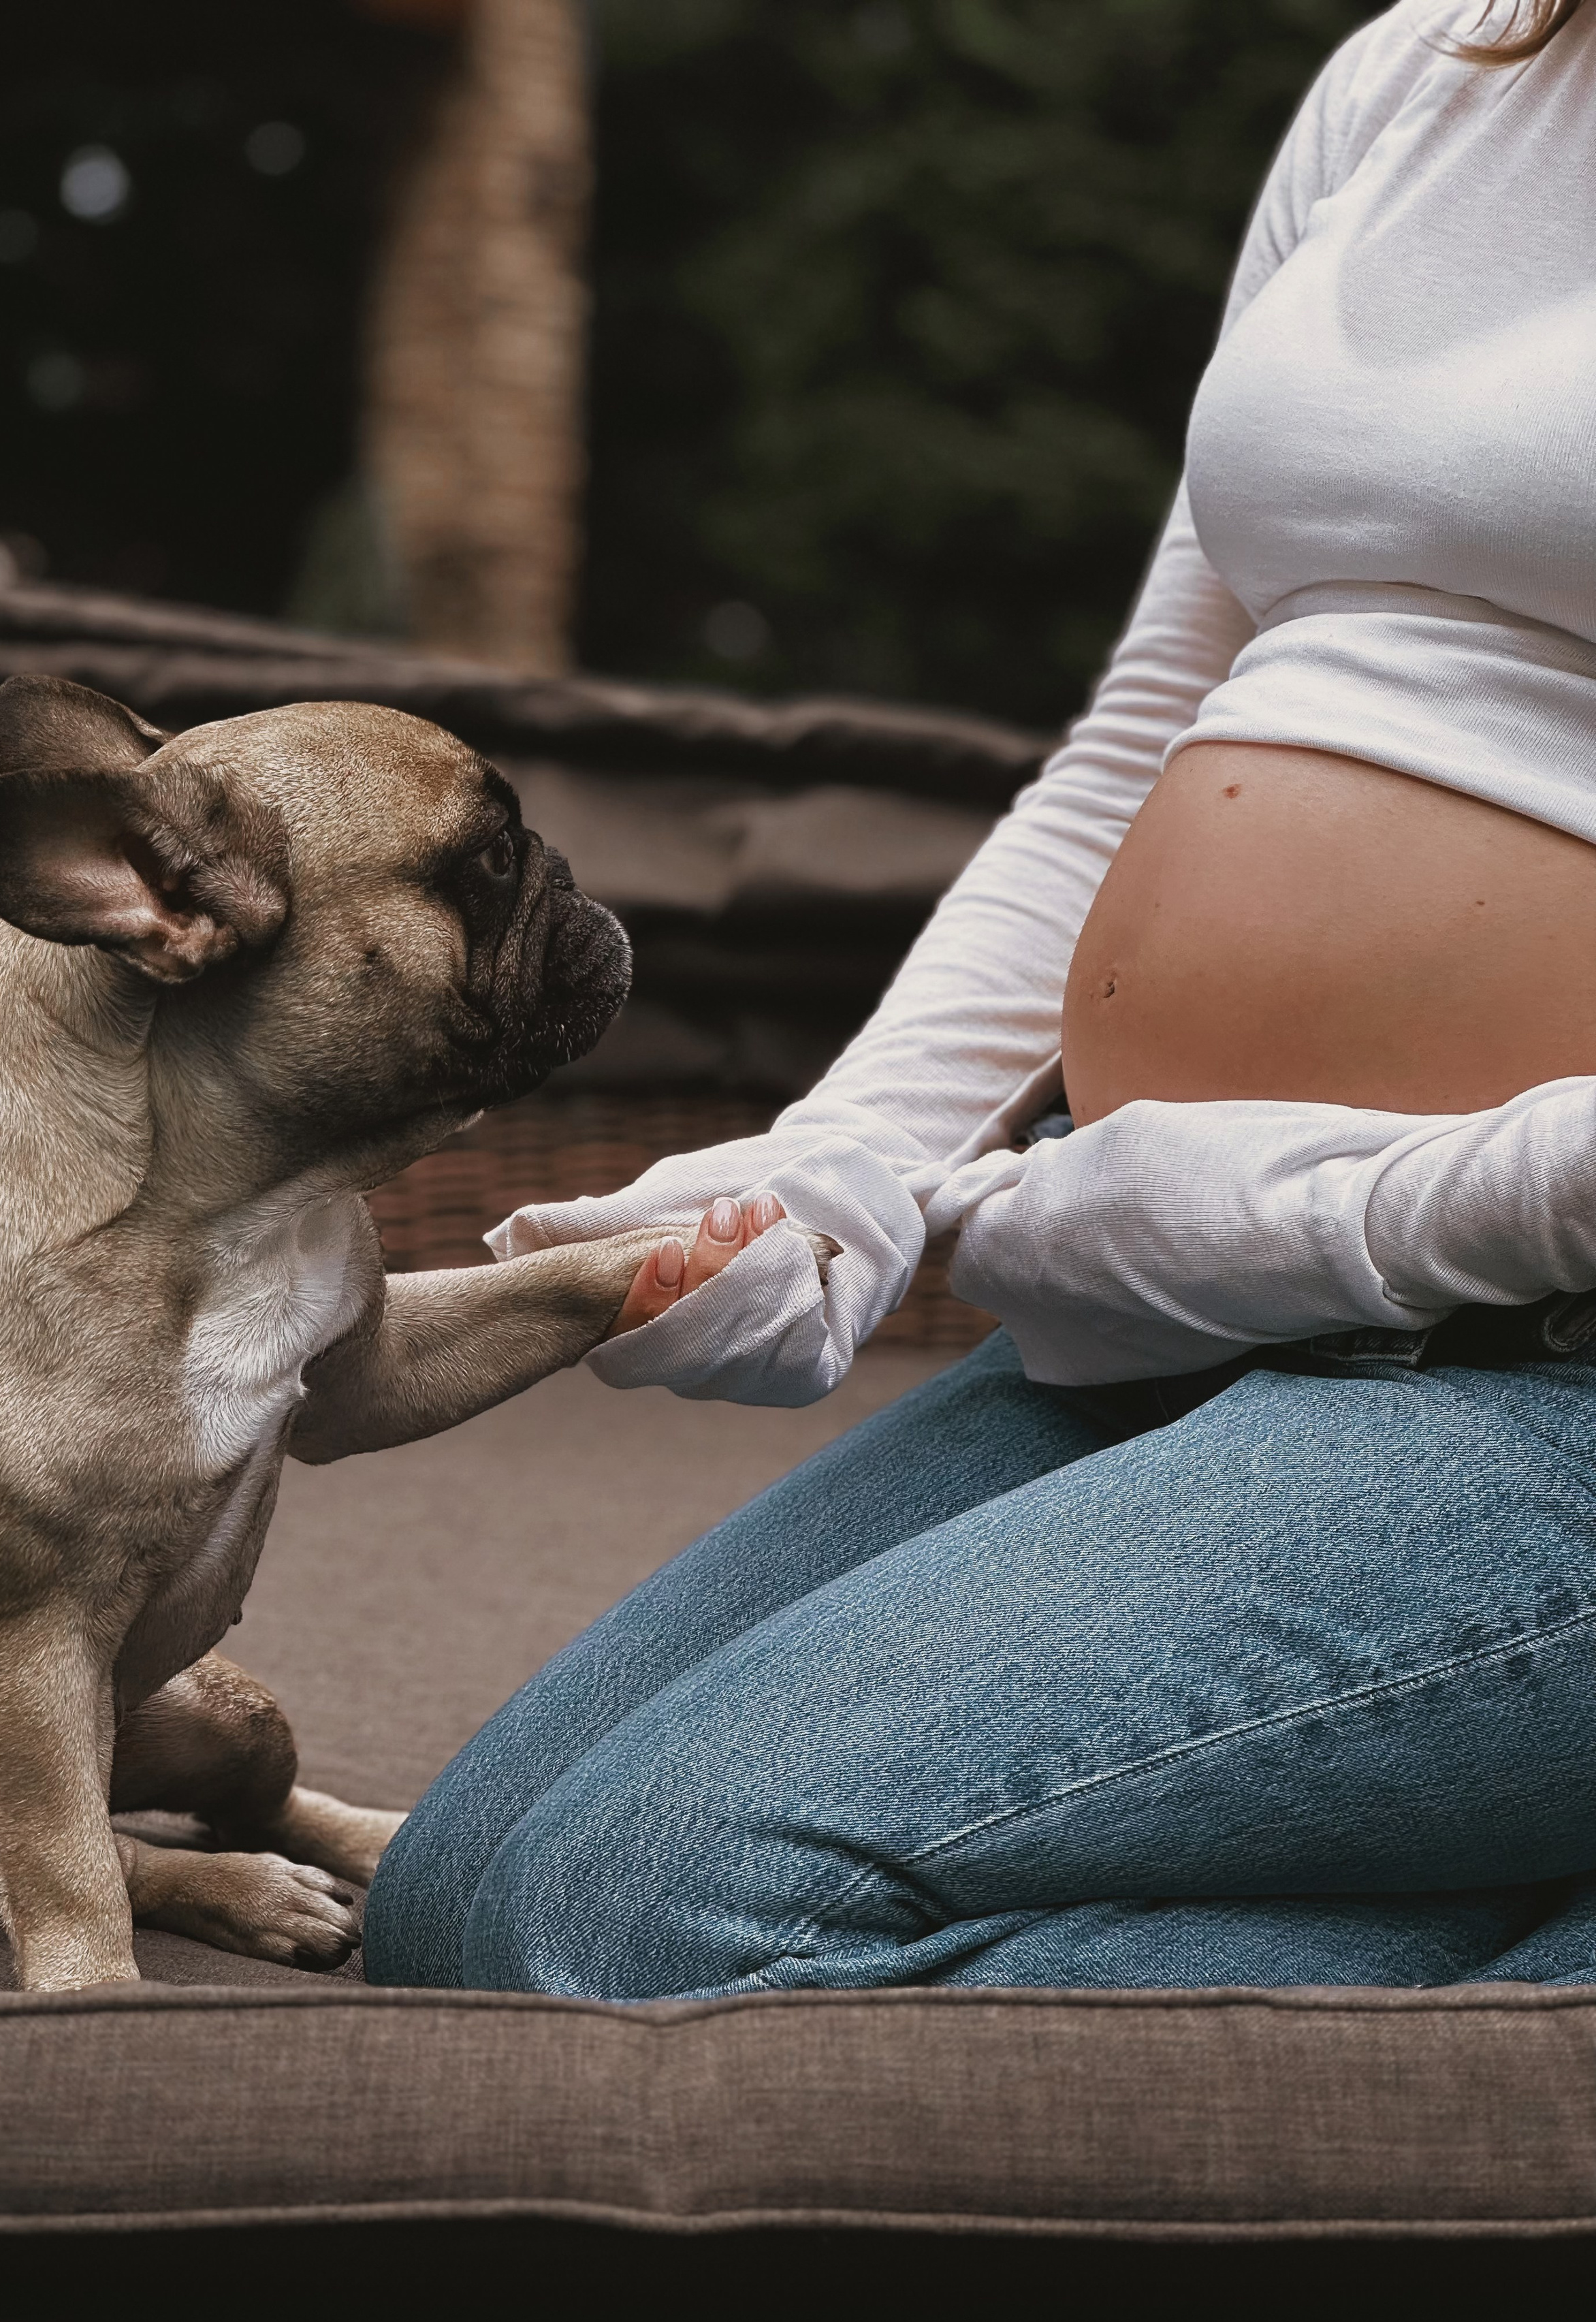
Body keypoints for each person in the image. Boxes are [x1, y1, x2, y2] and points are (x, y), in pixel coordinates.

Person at [365, 0, 1596, 1997]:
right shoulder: (1431, 72)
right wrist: (851, 1164)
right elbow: (1147, 731)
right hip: (1200, 1323)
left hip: (1541, 1365)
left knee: (639, 1931)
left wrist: (1327, 1218)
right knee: (464, 1901)